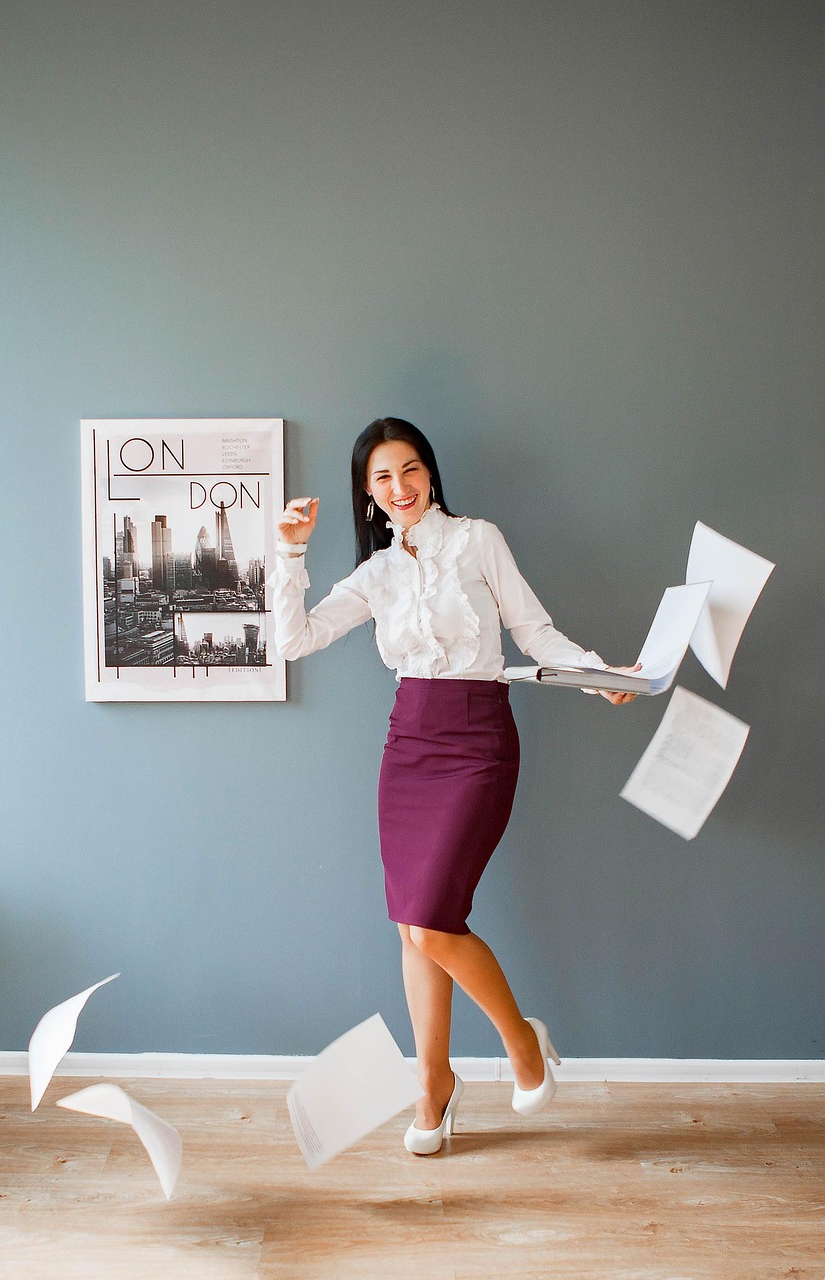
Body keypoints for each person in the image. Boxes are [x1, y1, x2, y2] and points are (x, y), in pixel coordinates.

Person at [271, 417, 638, 1156]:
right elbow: (292, 640)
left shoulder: (478, 540)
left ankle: (521, 1042)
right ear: (367, 493)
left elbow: (535, 632)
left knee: (433, 920)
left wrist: (600, 677)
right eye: (382, 477)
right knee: (414, 925)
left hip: (476, 741)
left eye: (409, 470)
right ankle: (432, 1085)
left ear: (430, 475)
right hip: (408, 742)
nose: (399, 487)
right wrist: (289, 551)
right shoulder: (375, 574)